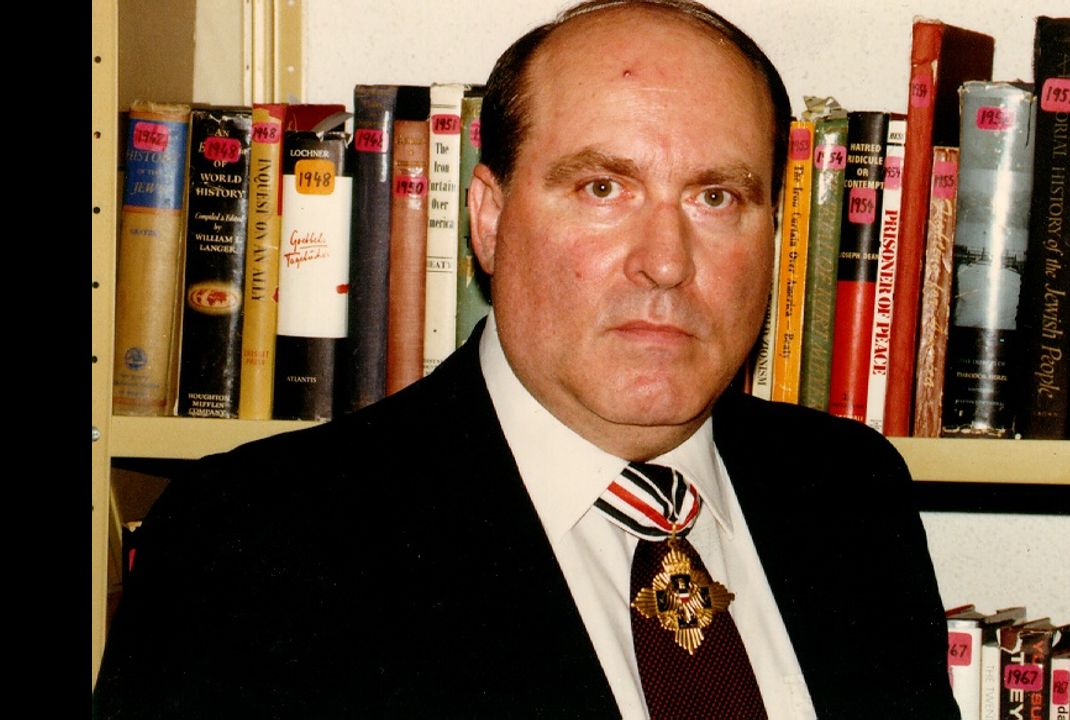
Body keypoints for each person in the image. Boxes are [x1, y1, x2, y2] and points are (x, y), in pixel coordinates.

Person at [94, 1, 959, 717]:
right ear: (489, 220)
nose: (665, 261)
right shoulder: (256, 545)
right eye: (602, 188)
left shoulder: (850, 496)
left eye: (716, 196)